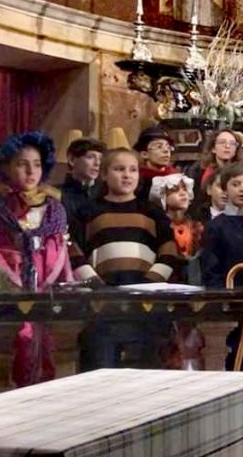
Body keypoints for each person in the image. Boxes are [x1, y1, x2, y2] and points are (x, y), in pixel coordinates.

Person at [70, 148, 180, 370]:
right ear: (104, 174)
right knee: (101, 365)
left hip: (145, 304)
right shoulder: (89, 211)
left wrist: (150, 283)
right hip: (103, 304)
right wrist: (95, 284)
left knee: (146, 367)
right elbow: (74, 250)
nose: (127, 175)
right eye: (119, 169)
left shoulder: (151, 212)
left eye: (133, 170)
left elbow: (168, 251)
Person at [0, 132, 71, 387]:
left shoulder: (54, 209)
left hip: (46, 290)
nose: (31, 171)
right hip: (9, 290)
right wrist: (11, 281)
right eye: (22, 164)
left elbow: (60, 251)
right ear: (7, 167)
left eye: (37, 164)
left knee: (49, 345)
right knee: (19, 340)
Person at [201, 162, 243, 289]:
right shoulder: (215, 226)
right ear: (225, 189)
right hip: (229, 296)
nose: (242, 189)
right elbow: (211, 271)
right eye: (235, 184)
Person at [59, 137, 105, 220]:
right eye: (90, 157)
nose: (97, 163)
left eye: (101, 159)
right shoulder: (56, 194)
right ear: (72, 160)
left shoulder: (105, 193)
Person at [187, 129, 243, 194]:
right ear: (213, 148)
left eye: (232, 143)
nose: (227, 146)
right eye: (222, 142)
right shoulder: (198, 171)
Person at [133, 127, 177, 201]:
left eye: (168, 147)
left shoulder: (176, 177)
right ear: (144, 154)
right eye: (159, 147)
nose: (166, 150)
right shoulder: (138, 181)